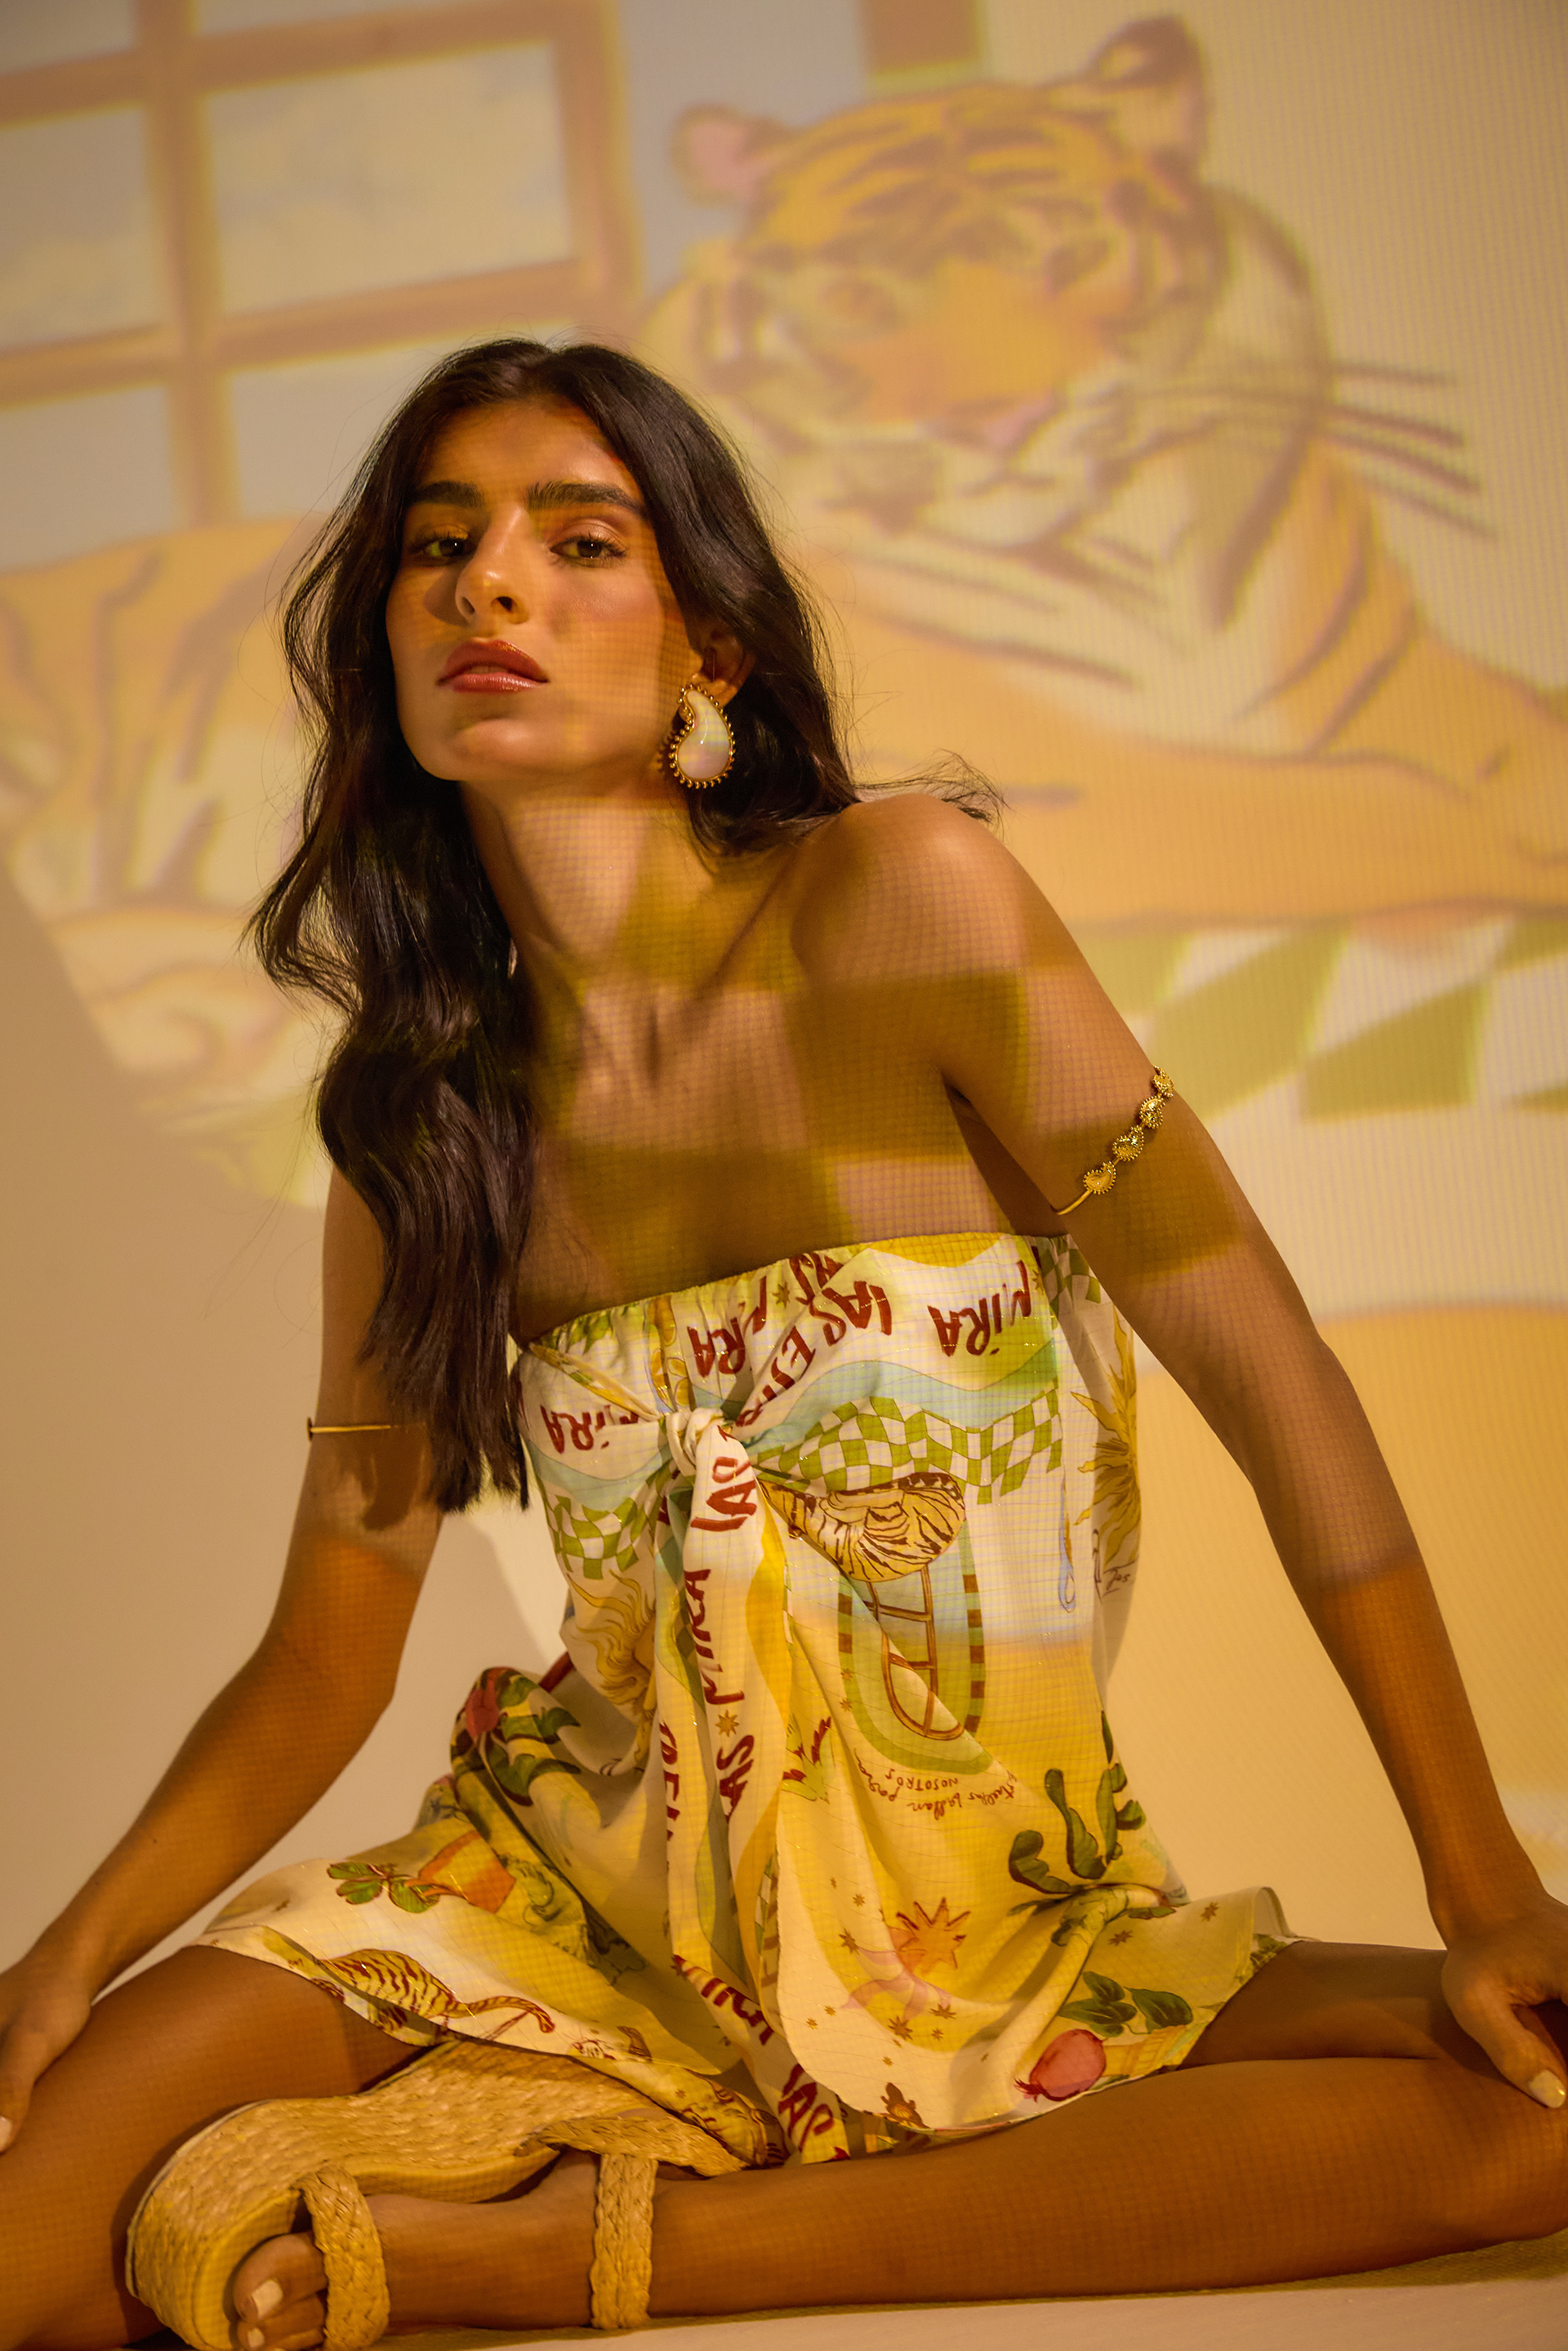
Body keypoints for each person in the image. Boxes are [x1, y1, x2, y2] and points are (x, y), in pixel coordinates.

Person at [1, 340, 1564, 2351]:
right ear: (388, 644)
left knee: (1538, 2112)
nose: (490, 584)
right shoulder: (419, 1126)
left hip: (993, 1916)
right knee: (35, 2266)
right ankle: (580, 2166)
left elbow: (1275, 1383)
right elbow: (329, 1650)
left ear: (710, 650)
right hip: (559, 1901)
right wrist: (67, 1960)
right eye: (437, 547)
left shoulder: (901, 901)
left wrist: (1481, 1885)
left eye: (582, 543)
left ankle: (583, 2254)